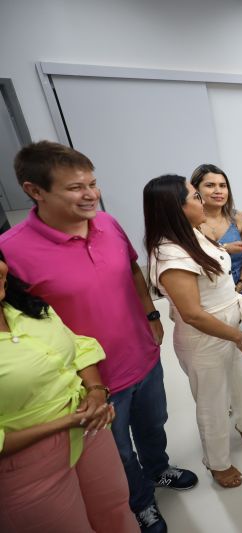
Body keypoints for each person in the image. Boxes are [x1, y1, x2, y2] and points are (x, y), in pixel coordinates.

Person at [0, 140, 196, 533]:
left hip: (141, 354)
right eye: (75, 188)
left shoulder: (107, 223)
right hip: (92, 381)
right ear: (34, 191)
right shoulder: (12, 251)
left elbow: (133, 271)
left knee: (154, 423)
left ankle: (159, 468)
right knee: (118, 452)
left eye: (93, 183)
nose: (90, 194)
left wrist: (151, 314)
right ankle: (141, 503)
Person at [144, 175, 242, 490]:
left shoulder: (190, 233)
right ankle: (218, 462)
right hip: (205, 338)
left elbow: (201, 256)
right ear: (176, 208)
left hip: (229, 325)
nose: (202, 197)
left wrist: (226, 246)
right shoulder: (169, 255)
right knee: (213, 403)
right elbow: (193, 314)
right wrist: (239, 337)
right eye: (194, 195)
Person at [0, 252, 139, 533]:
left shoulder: (22, 305)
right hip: (27, 463)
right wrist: (64, 422)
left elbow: (76, 345)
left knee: (115, 510)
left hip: (90, 428)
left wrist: (96, 391)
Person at [191, 163, 242, 404]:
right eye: (210, 185)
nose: (218, 190)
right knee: (217, 343)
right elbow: (192, 259)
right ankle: (225, 392)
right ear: (196, 190)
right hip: (208, 291)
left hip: (239, 287)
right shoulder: (191, 222)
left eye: (222, 185)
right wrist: (224, 249)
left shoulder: (239, 218)